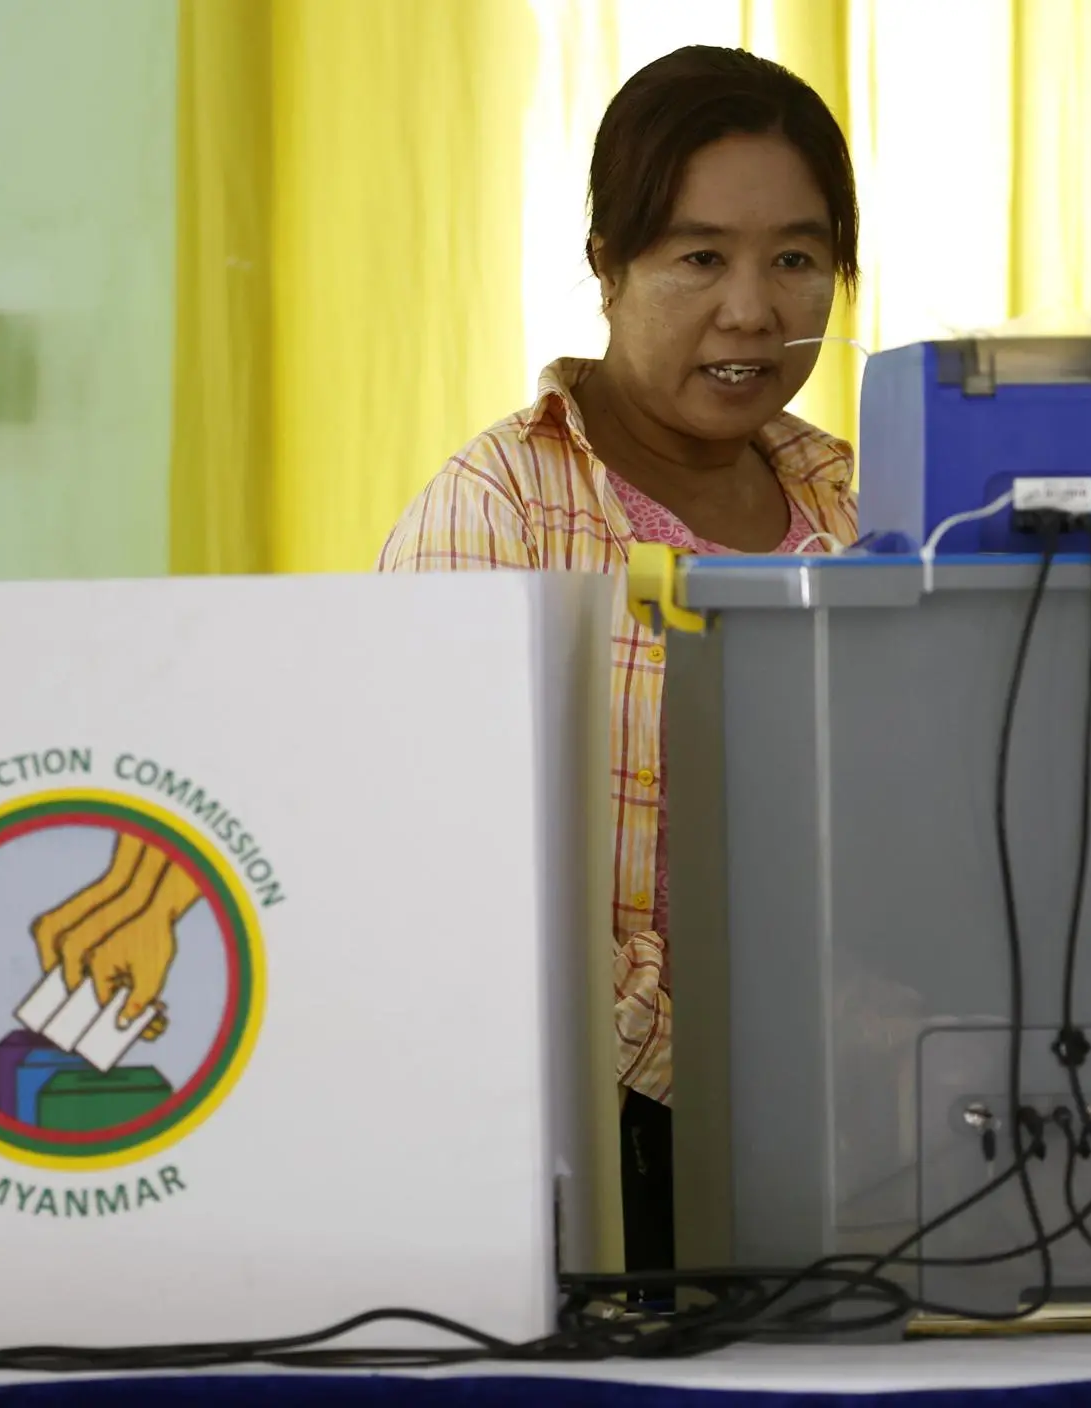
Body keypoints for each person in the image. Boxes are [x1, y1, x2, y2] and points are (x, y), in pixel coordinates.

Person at [376, 45, 861, 1270]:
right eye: (699, 257)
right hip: (581, 1149)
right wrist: (710, 1058)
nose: (752, 310)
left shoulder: (876, 507)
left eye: (796, 260)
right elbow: (450, 878)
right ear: (607, 263)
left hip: (867, 1119)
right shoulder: (497, 508)